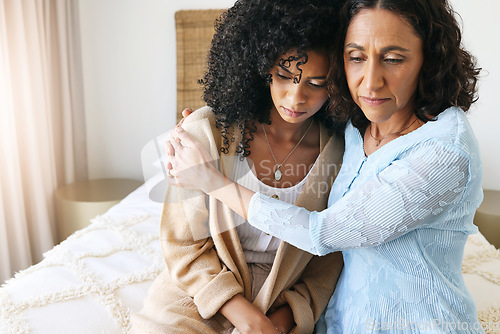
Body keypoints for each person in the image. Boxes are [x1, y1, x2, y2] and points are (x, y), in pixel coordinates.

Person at [166, 0, 485, 332]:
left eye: (392, 59)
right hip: (334, 322)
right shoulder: (355, 124)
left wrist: (212, 180)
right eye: (356, 57)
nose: (371, 83)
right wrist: (200, 129)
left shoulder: (444, 152)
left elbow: (323, 237)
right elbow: (183, 243)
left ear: (429, 59)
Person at [130, 0, 345, 333]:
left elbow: (328, 262)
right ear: (261, 67)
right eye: (284, 76)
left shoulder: (342, 154)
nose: (295, 97)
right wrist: (248, 318)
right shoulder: (207, 133)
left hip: (284, 300)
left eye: (316, 84)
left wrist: (278, 322)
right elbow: (183, 245)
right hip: (202, 292)